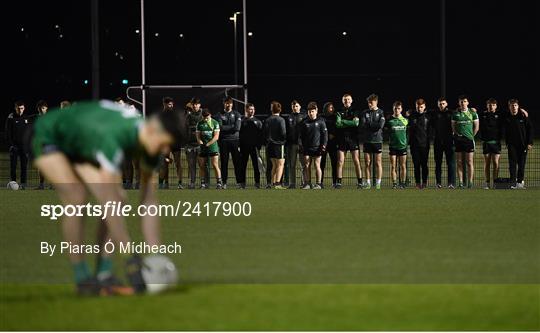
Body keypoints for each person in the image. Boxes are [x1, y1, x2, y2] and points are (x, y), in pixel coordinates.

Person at [32, 100, 184, 295]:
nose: (165, 151)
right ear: (154, 129)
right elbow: (108, 200)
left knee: (119, 199)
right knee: (77, 197)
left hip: (82, 142)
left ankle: (104, 275)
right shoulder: (116, 135)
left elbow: (148, 202)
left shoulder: (151, 143)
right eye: (165, 144)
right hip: (49, 134)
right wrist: (130, 257)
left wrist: (155, 253)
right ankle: (83, 279)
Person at [502, 99, 533, 189]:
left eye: (515, 105)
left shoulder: (523, 116)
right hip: (511, 145)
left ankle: (520, 183)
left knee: (521, 164)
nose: (514, 107)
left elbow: (530, 129)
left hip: (523, 144)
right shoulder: (507, 117)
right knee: (512, 164)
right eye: (512, 106)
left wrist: (530, 142)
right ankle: (512, 182)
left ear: (518, 106)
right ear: (509, 107)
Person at [451, 95, 479, 189]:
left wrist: (471, 136)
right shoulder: (455, 113)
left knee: (470, 162)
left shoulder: (473, 113)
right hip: (459, 140)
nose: (463, 103)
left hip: (469, 140)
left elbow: (476, 127)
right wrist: (457, 135)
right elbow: (453, 127)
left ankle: (470, 183)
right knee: (459, 162)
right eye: (461, 101)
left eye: (465, 101)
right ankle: (461, 183)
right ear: (459, 103)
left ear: (468, 102)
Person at [335, 94, 362, 189]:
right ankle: (338, 183)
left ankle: (360, 182)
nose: (347, 101)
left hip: (353, 139)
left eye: (348, 99)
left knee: (356, 161)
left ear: (352, 100)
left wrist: (344, 121)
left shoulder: (355, 111)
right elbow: (338, 124)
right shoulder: (338, 111)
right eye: (345, 99)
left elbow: (356, 123)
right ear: (342, 101)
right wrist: (350, 122)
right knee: (340, 161)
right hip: (342, 139)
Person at [299, 102, 328, 190]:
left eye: (312, 111)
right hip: (307, 148)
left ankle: (319, 184)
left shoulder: (321, 122)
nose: (311, 113)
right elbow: (300, 136)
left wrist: (323, 145)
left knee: (317, 165)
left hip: (317, 148)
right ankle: (308, 184)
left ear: (316, 111)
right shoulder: (304, 122)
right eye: (309, 112)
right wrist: (301, 145)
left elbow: (325, 135)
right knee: (307, 165)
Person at [158, 97, 184, 189]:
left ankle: (180, 183)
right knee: (165, 163)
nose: (171, 106)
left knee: (178, 163)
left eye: (172, 104)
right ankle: (164, 183)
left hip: (175, 142)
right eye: (169, 104)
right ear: (164, 104)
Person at [6, 101, 32, 190]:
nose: (20, 110)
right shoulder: (11, 118)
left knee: (24, 167)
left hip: (24, 147)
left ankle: (23, 184)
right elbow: (8, 133)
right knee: (13, 166)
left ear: (24, 108)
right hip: (14, 147)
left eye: (21, 108)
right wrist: (11, 145)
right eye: (18, 108)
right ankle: (13, 183)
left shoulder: (27, 118)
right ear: (15, 108)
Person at [361, 94, 385, 190]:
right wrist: (373, 125)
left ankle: (378, 183)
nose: (369, 104)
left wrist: (369, 124)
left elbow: (380, 125)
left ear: (376, 102)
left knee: (378, 163)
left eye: (371, 102)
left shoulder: (381, 112)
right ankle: (368, 183)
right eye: (368, 102)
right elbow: (363, 124)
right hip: (367, 141)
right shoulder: (365, 112)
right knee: (367, 163)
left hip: (377, 140)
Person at [432, 97, 456, 189]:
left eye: (443, 103)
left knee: (450, 163)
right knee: (438, 163)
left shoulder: (452, 113)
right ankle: (438, 183)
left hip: (449, 142)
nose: (442, 105)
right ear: (438, 105)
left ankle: (451, 183)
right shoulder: (434, 114)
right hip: (437, 141)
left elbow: (460, 112)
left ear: (446, 104)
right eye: (440, 104)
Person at [196, 109, 223, 189]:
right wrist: (200, 142)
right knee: (202, 165)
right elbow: (198, 136)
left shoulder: (215, 123)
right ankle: (203, 183)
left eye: (207, 117)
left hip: (213, 147)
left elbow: (216, 137)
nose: (205, 119)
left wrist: (208, 144)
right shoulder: (199, 124)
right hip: (203, 147)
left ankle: (219, 183)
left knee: (215, 165)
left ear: (210, 115)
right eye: (204, 117)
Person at [479, 98, 503, 189]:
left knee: (496, 163)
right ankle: (487, 183)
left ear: (496, 106)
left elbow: (511, 113)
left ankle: (495, 183)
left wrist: (522, 111)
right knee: (487, 163)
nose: (491, 106)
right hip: (486, 143)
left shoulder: (500, 115)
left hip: (496, 143)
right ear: (487, 106)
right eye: (489, 105)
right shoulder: (483, 115)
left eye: (493, 105)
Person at [239, 103, 263, 189]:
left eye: (253, 109)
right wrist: (239, 145)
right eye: (250, 109)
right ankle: (242, 184)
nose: (252, 111)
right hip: (244, 147)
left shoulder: (258, 122)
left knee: (256, 166)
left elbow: (261, 135)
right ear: (246, 110)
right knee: (243, 166)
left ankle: (257, 183)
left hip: (254, 148)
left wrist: (259, 146)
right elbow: (239, 135)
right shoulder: (242, 121)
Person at [185, 97, 208, 189]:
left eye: (196, 104)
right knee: (191, 165)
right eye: (193, 104)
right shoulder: (188, 115)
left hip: (201, 144)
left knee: (202, 165)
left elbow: (207, 127)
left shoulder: (204, 114)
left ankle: (204, 183)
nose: (195, 105)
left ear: (199, 105)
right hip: (190, 144)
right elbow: (185, 129)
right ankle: (192, 183)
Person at [408, 98, 431, 189]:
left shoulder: (429, 116)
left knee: (424, 165)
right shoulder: (411, 116)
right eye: (418, 107)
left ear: (424, 106)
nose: (419, 108)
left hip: (425, 145)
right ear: (415, 106)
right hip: (414, 145)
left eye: (421, 107)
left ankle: (424, 183)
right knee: (416, 165)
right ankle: (417, 183)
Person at [264, 101, 287, 189]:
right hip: (279, 145)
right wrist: (284, 140)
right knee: (280, 164)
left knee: (273, 165)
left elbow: (265, 132)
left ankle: (271, 183)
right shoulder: (281, 120)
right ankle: (277, 184)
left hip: (270, 145)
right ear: (280, 109)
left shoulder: (268, 119)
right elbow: (283, 133)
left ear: (272, 109)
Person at [385, 101, 408, 189]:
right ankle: (394, 184)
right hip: (393, 147)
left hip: (402, 147)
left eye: (398, 108)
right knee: (393, 166)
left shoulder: (405, 120)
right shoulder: (389, 120)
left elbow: (408, 133)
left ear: (401, 109)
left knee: (403, 166)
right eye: (395, 108)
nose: (397, 110)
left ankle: (402, 183)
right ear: (393, 109)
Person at [285, 100, 306, 188]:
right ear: (291, 107)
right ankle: (292, 184)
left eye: (296, 106)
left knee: (304, 165)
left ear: (300, 107)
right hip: (292, 145)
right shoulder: (288, 117)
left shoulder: (304, 117)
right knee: (292, 165)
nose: (295, 107)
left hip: (302, 145)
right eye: (293, 106)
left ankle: (304, 183)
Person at [320, 102, 338, 187]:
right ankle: (320, 182)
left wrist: (333, 134)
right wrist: (326, 136)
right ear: (326, 108)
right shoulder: (321, 117)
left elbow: (338, 128)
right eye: (330, 107)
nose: (332, 109)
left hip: (333, 143)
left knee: (334, 163)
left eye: (332, 107)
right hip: (323, 143)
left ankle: (334, 182)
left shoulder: (335, 117)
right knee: (321, 164)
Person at [35, 100, 49, 189]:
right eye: (40, 108)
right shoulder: (35, 118)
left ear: (46, 109)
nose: (41, 110)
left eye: (43, 108)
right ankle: (41, 185)